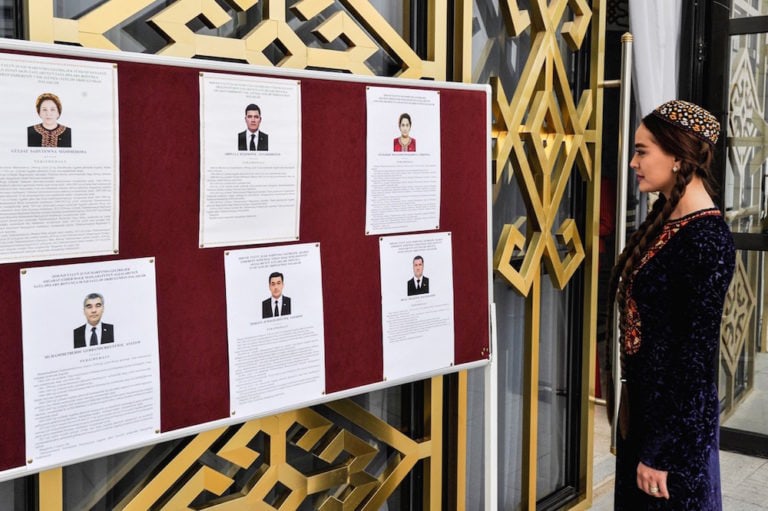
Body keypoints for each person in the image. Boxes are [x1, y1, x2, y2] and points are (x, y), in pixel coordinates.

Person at [606, 100, 735, 510]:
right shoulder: (670, 221)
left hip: (673, 437)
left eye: (642, 151)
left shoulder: (707, 239)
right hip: (647, 417)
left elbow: (693, 360)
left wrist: (659, 452)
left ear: (678, 157)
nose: (633, 162)